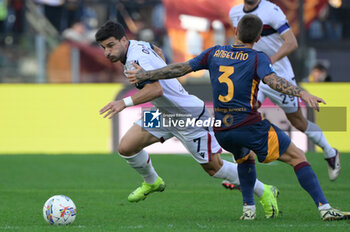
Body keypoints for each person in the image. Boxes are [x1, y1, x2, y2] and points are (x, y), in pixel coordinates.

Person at [125, 14, 350, 221]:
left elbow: (181, 68)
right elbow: (273, 81)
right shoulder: (257, 57)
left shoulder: (214, 52)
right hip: (248, 124)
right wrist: (301, 92)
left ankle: (248, 210)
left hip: (222, 130)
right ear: (259, 37)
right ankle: (325, 208)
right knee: (297, 156)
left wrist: (147, 74)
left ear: (235, 31)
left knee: (244, 158)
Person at [95, 21, 279, 218]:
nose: (107, 52)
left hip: (187, 115)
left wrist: (124, 102)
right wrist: (164, 75)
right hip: (165, 114)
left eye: (111, 45)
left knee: (214, 168)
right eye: (104, 47)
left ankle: (263, 189)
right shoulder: (138, 45)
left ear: (123, 40)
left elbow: (155, 89)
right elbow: (155, 49)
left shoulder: (135, 59)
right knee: (127, 147)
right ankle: (152, 182)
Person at [229, 0, 340, 181]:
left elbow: (292, 42)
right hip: (254, 75)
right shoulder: (234, 13)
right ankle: (240, 172)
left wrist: (269, 61)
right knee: (243, 115)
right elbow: (239, 42)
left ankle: (330, 151)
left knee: (298, 122)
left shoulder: (271, 11)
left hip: (278, 75)